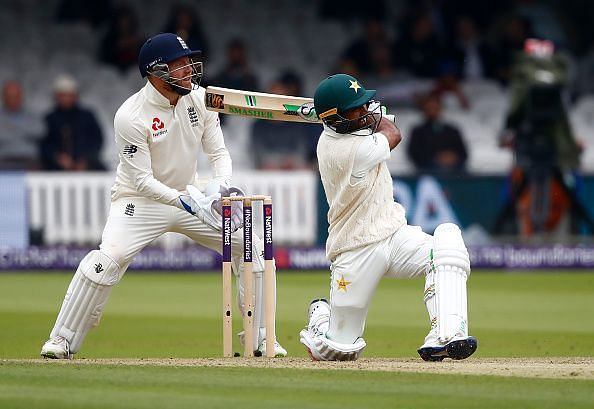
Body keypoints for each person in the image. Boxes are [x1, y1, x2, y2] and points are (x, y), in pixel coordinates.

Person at [40, 33, 287, 359]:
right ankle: (62, 341)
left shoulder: (201, 99)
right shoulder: (130, 115)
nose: (189, 70)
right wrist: (187, 201)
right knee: (104, 262)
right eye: (180, 64)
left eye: (189, 63)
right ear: (156, 71)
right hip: (139, 202)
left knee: (252, 246)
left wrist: (219, 189)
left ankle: (260, 338)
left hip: (190, 195)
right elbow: (142, 181)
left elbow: (219, 154)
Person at [299, 74, 477, 361]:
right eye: (356, 107)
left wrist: (365, 113)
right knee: (338, 351)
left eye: (363, 104)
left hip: (394, 233)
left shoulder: (349, 129)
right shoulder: (342, 150)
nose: (364, 111)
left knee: (448, 240)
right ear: (335, 119)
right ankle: (320, 320)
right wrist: (379, 116)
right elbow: (394, 133)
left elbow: (367, 124)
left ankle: (446, 336)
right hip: (355, 247)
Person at [251, 71, 320, 170]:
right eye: (273, 97)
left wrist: (291, 161)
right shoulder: (258, 126)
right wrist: (277, 162)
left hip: (293, 173)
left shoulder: (297, 123)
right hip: (267, 175)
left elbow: (301, 150)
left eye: (281, 97)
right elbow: (258, 154)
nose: (277, 102)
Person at [39, 75, 105, 171]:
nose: (66, 98)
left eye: (69, 95)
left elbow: (97, 141)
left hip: (87, 164)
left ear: (75, 95)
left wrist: (84, 159)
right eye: (63, 95)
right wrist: (57, 157)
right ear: (56, 97)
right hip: (56, 166)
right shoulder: (50, 118)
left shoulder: (87, 116)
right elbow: (44, 144)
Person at [407, 93, 468, 173]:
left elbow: (463, 153)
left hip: (454, 170)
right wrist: (437, 158)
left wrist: (452, 157)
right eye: (429, 108)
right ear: (424, 109)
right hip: (428, 169)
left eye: (435, 108)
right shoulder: (418, 131)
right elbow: (414, 154)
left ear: (440, 108)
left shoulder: (452, 130)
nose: (432, 111)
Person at [0, 80, 43, 170]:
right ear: (3, 98)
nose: (13, 100)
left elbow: (40, 132)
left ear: (21, 97)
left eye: (16, 96)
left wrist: (11, 130)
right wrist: (23, 131)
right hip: (4, 160)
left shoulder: (33, 114)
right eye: (10, 97)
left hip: (29, 160)